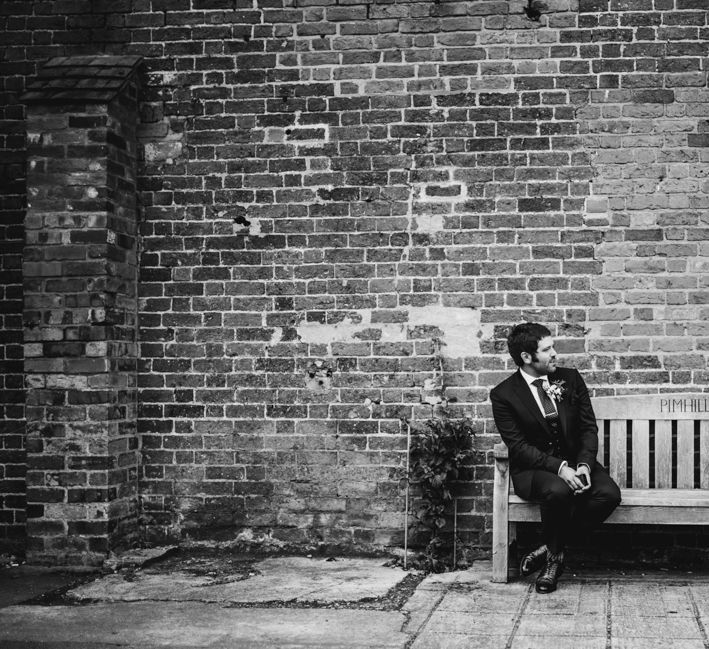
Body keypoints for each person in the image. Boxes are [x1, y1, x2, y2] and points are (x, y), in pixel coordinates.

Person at [490, 322, 621, 593]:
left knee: (609, 494)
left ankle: (550, 549)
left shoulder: (570, 379)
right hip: (535, 470)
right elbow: (518, 447)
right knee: (558, 491)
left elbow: (588, 427)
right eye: (547, 349)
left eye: (553, 347)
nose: (555, 353)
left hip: (576, 462)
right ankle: (553, 564)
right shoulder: (503, 395)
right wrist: (560, 468)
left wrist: (584, 464)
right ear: (527, 357)